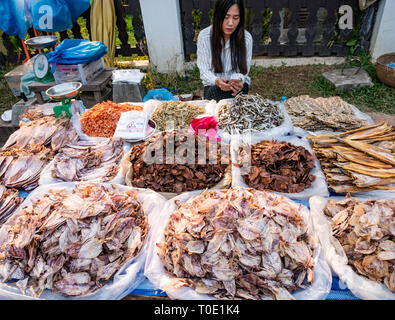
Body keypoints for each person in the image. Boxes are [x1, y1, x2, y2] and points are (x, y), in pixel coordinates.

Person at [197, 0, 253, 102]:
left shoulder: (247, 38)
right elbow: (204, 71)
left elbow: (243, 71)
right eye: (226, 17)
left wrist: (239, 80)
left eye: (235, 18)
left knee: (240, 92)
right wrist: (217, 81)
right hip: (214, 86)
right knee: (214, 93)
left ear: (241, 19)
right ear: (218, 16)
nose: (230, 23)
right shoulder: (204, 37)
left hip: (236, 87)